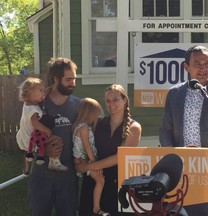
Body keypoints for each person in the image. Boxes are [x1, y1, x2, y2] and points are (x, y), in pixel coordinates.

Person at [76, 84, 142, 216]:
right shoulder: (98, 123)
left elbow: (119, 157)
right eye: (108, 100)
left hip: (117, 184)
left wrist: (88, 166)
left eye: (115, 99)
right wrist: (79, 162)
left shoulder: (134, 127)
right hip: (95, 181)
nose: (111, 103)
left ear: (125, 100)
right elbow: (84, 144)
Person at [28, 57, 82, 216]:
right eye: (68, 79)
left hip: (68, 178)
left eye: (74, 79)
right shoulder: (37, 105)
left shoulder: (79, 105)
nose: (73, 83)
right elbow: (25, 138)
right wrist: (43, 149)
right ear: (55, 79)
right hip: (41, 176)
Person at [16, 77, 67, 174]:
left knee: (27, 151)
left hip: (25, 137)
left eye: (43, 90)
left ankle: (26, 168)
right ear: (30, 93)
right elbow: (35, 123)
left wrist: (51, 88)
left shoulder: (27, 104)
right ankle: (54, 162)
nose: (43, 93)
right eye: (41, 91)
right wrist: (47, 130)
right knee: (58, 140)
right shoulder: (33, 110)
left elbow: (44, 93)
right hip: (34, 138)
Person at [72, 98, 109, 215]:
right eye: (96, 113)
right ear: (90, 112)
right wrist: (95, 164)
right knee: (100, 180)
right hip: (84, 160)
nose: (97, 116)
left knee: (98, 180)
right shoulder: (83, 128)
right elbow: (87, 147)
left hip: (86, 159)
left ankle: (94, 207)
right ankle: (96, 208)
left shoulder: (82, 126)